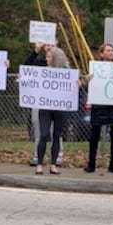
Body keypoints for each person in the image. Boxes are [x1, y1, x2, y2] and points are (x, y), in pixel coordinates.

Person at [84, 43, 113, 173]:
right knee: (95, 135)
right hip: (99, 105)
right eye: (107, 50)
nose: (110, 53)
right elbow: (87, 86)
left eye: (112, 50)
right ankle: (91, 163)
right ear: (101, 54)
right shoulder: (96, 68)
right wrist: (88, 80)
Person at [24, 41, 63, 167]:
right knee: (40, 130)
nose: (50, 47)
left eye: (53, 45)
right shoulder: (39, 62)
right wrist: (36, 50)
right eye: (47, 45)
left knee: (56, 132)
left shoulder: (63, 66)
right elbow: (26, 67)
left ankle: (57, 157)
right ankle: (37, 156)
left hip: (56, 104)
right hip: (39, 102)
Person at [35, 47, 70, 176]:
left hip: (60, 108)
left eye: (49, 57)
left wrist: (81, 82)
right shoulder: (43, 72)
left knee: (57, 135)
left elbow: (74, 86)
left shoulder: (67, 72)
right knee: (43, 134)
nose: (46, 59)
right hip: (45, 107)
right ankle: (39, 164)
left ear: (56, 59)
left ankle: (53, 164)